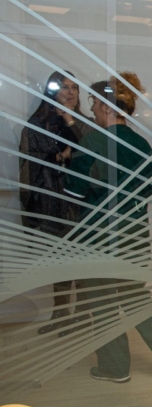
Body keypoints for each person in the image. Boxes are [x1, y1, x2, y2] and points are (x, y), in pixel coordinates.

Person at [63, 72, 152, 382]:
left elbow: (74, 191)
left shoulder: (92, 141)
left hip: (99, 237)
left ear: (107, 106)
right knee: (136, 300)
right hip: (135, 235)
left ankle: (114, 367)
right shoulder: (142, 144)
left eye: (93, 102)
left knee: (103, 303)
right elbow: (149, 188)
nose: (91, 108)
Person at [19, 71, 92, 335]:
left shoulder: (85, 123)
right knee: (59, 262)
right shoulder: (37, 124)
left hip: (81, 203)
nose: (70, 92)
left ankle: (83, 316)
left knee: (82, 261)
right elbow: (28, 163)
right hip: (51, 202)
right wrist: (60, 157)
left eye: (74, 87)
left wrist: (71, 122)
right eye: (64, 87)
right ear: (52, 91)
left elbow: (94, 151)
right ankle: (60, 313)